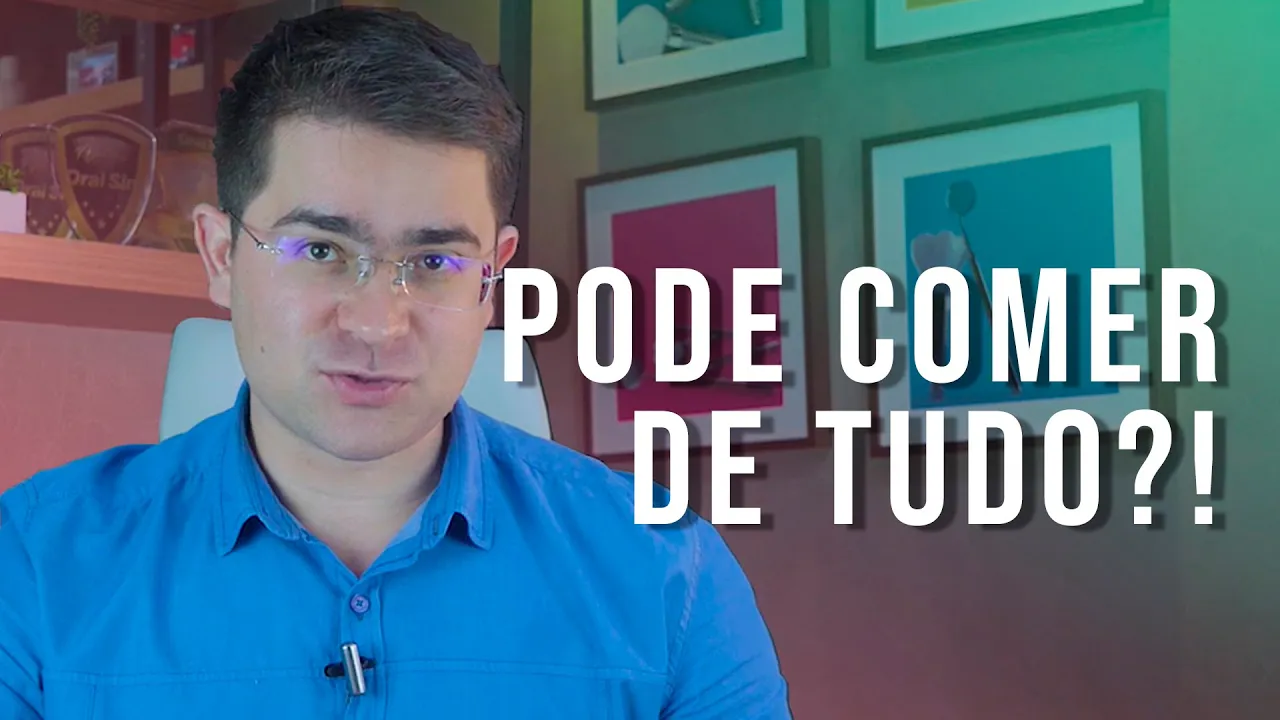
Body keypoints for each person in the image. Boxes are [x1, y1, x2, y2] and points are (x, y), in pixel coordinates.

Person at [0, 6, 790, 718]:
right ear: (219, 254)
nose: (378, 324)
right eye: (320, 250)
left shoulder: (664, 572)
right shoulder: (34, 566)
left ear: (493, 278)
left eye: (436, 262)